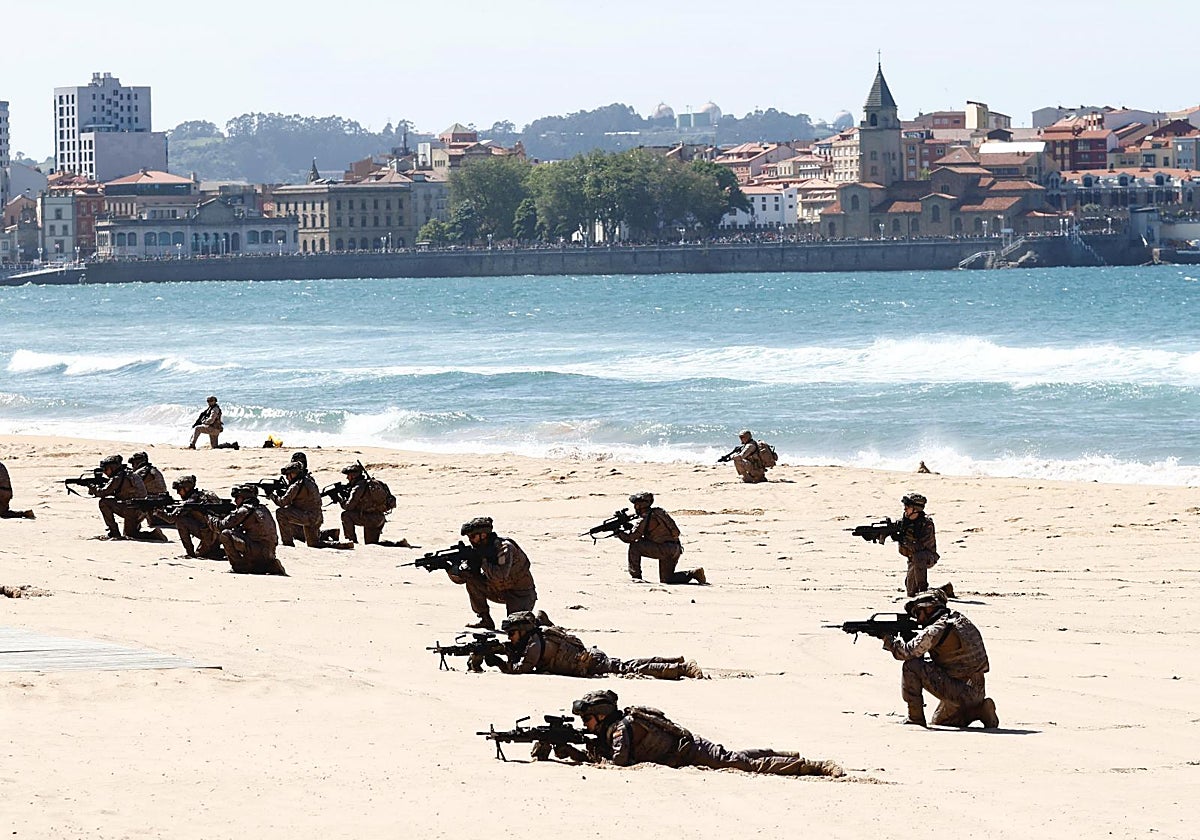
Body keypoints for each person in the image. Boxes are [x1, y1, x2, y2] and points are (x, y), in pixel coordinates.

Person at [546, 689, 843, 777]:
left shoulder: (621, 730)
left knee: (740, 763)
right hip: (686, 750)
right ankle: (785, 755)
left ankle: (811, 766)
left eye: (587, 719)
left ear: (600, 715)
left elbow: (618, 763)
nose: (585, 725)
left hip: (689, 751)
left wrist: (576, 755)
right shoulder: (616, 726)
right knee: (736, 758)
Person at [881, 589, 999, 729]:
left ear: (929, 607)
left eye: (919, 612)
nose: (918, 619)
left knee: (912, 666)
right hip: (977, 689)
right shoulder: (959, 620)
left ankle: (915, 718)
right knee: (941, 721)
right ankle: (980, 710)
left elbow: (906, 653)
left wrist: (889, 641)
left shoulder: (936, 629)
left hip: (960, 690)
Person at [484, 611, 704, 679]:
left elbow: (522, 668)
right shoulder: (537, 636)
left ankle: (681, 669)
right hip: (589, 657)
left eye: (512, 634)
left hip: (589, 663)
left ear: (522, 631)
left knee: (630, 668)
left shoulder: (534, 644)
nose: (510, 638)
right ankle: (675, 661)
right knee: (628, 664)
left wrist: (498, 663)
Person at [448, 516, 537, 630]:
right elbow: (462, 579)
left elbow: (500, 576)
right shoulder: (478, 551)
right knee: (472, 579)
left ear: (483, 535)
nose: (470, 540)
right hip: (498, 591)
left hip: (520, 594)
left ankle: (541, 619)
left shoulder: (505, 548)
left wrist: (482, 560)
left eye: (472, 536)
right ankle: (485, 619)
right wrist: (451, 569)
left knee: (516, 628)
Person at [617, 492, 705, 585]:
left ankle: (636, 577)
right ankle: (693, 574)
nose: (635, 507)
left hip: (664, 549)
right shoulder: (659, 512)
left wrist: (618, 533)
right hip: (675, 548)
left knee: (635, 546)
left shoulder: (644, 518)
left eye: (636, 504)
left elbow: (631, 538)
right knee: (667, 579)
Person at [891, 492, 953, 599]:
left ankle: (923, 591)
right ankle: (944, 591)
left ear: (916, 509)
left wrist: (903, 540)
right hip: (912, 558)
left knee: (919, 556)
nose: (905, 509)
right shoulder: (903, 523)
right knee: (911, 593)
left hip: (927, 557)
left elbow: (920, 547)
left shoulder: (926, 524)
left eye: (908, 507)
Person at [217, 484, 286, 575]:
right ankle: (267, 565)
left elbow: (221, 525)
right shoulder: (264, 508)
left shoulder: (244, 510)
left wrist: (209, 517)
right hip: (270, 552)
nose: (235, 501)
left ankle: (239, 567)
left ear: (243, 497)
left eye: (237, 498)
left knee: (225, 534)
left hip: (256, 550)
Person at [89, 455, 147, 540]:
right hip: (139, 510)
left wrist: (92, 487)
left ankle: (114, 532)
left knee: (104, 502)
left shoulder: (117, 477)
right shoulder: (128, 474)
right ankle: (154, 534)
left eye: (106, 469)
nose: (104, 472)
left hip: (131, 510)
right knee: (131, 535)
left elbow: (103, 492)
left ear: (112, 468)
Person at [336, 463, 395, 545]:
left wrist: (340, 499)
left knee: (346, 515)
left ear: (353, 476)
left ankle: (351, 542)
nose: (347, 478)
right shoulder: (373, 483)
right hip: (379, 518)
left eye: (348, 475)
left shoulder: (358, 487)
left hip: (369, 519)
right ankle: (396, 544)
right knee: (372, 544)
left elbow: (348, 507)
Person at [271, 460, 323, 548]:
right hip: (316, 516)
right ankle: (342, 544)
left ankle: (287, 543)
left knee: (281, 513)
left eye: (289, 475)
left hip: (308, 517)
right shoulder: (308, 480)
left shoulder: (296, 485)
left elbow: (282, 503)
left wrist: (272, 496)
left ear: (294, 474)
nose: (287, 478)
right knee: (313, 543)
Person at [170, 474, 224, 559]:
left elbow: (171, 519)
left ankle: (190, 554)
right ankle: (214, 549)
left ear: (187, 488)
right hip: (218, 535)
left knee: (180, 521)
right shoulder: (204, 496)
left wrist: (158, 512)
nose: (178, 493)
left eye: (179, 490)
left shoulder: (192, 501)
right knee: (206, 553)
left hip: (209, 536)